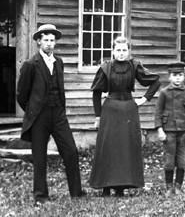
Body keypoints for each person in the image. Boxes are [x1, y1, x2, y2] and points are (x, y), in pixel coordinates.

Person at [16, 23, 85, 205]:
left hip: (58, 114)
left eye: (52, 40)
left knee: (71, 151)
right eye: (45, 40)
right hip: (39, 116)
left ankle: (77, 193)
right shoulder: (31, 64)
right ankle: (41, 196)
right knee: (40, 157)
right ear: (39, 41)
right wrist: (34, 111)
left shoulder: (59, 62)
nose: (49, 43)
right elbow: (22, 95)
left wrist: (59, 108)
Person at [89, 36, 160, 196]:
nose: (121, 53)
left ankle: (121, 187)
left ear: (129, 51)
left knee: (125, 148)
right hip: (110, 110)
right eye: (118, 50)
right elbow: (96, 92)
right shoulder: (106, 68)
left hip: (129, 109)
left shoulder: (134, 66)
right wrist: (98, 117)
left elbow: (155, 81)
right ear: (113, 51)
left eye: (124, 50)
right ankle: (106, 186)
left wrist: (143, 99)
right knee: (108, 148)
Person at [155, 60, 185, 195]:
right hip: (168, 131)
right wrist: (160, 129)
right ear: (169, 77)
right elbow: (158, 113)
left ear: (184, 77)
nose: (177, 78)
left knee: (182, 159)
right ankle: (168, 187)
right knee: (169, 158)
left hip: (184, 132)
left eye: (180, 75)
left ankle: (178, 187)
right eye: (174, 75)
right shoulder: (164, 93)